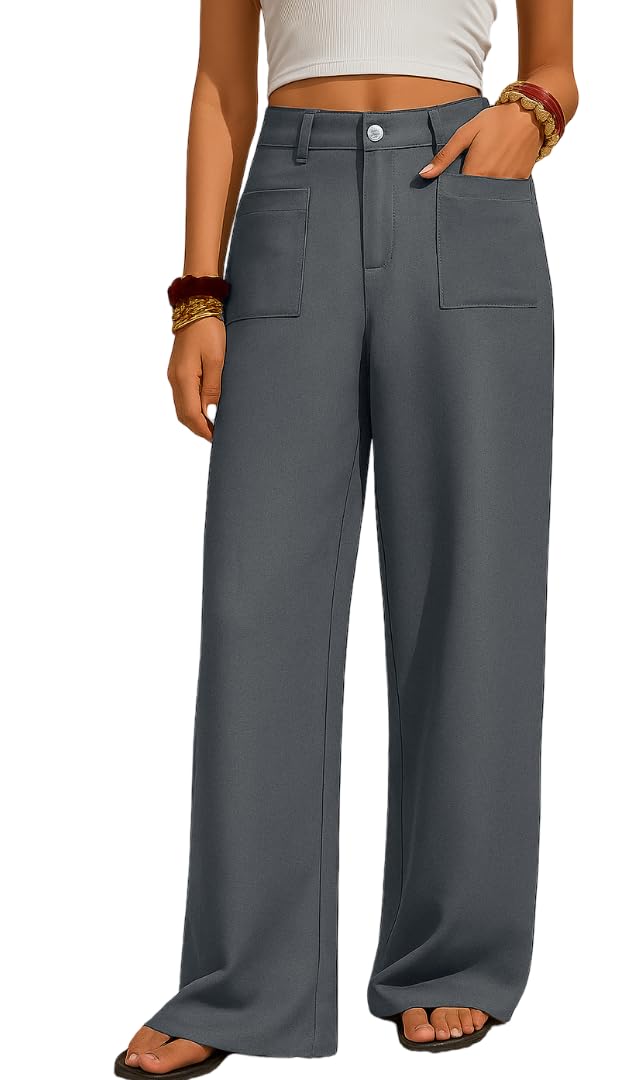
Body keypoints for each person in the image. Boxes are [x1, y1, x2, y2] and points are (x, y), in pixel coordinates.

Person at [116, 0, 578, 1074]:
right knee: (257, 607)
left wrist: (530, 117)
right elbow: (222, 82)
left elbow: (555, 63)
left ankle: (450, 959)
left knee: (475, 590)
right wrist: (197, 297)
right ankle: (242, 984)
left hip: (464, 190)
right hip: (292, 196)